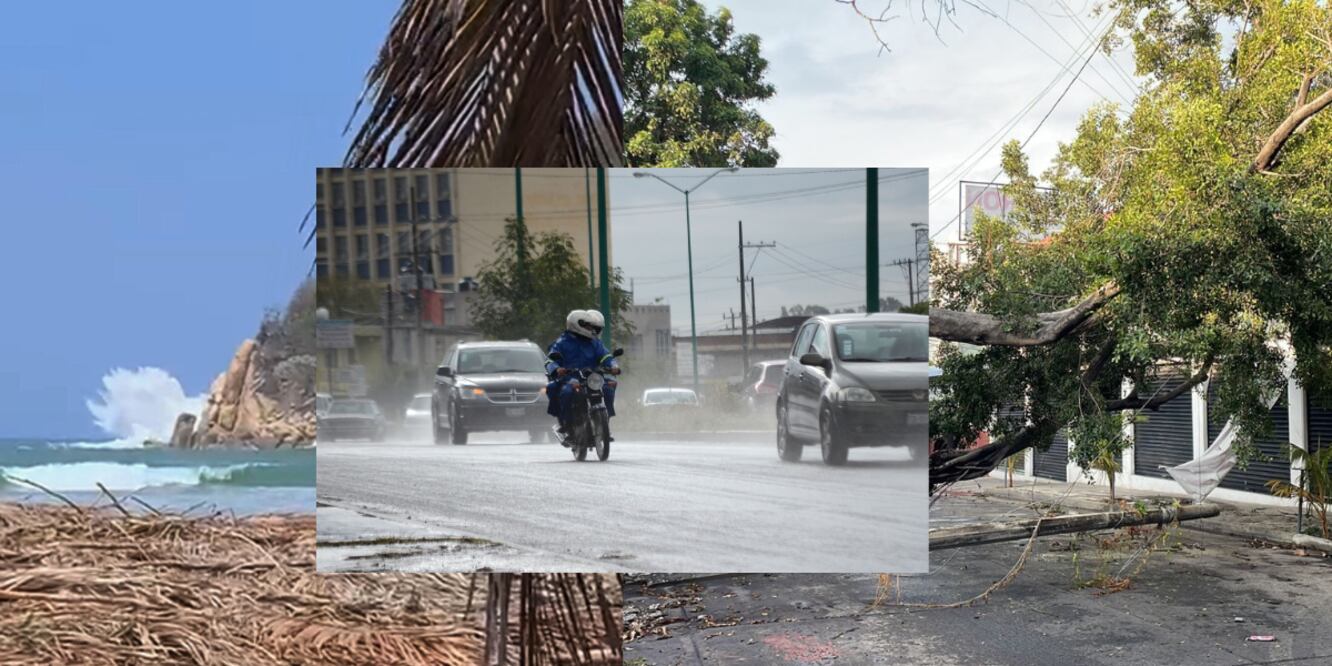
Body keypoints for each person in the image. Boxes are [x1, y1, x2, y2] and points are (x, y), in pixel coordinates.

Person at [546, 309, 620, 437]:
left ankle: (604, 422)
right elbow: (550, 360)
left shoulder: (595, 343)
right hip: (570, 378)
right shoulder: (561, 343)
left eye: (590, 325)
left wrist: (613, 366)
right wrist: (557, 368)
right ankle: (567, 425)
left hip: (593, 377)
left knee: (609, 387)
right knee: (567, 392)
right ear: (576, 324)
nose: (590, 328)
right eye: (587, 325)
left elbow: (606, 356)